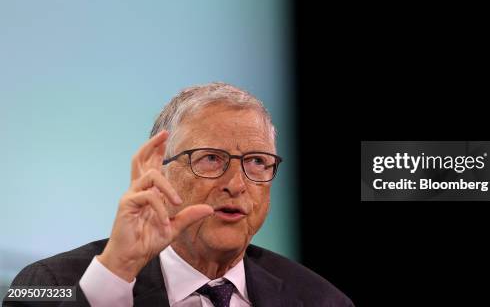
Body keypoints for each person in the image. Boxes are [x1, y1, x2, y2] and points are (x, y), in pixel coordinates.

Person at [5, 83, 353, 306]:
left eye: (257, 161)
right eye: (211, 159)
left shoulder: (321, 300)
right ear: (158, 170)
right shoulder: (46, 285)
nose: (236, 183)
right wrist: (119, 272)